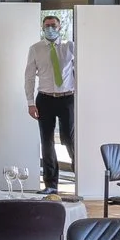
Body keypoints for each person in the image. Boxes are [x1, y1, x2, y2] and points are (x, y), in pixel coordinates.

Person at [24, 12, 77, 194]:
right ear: (42, 28)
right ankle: (51, 185)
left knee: (69, 138)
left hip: (67, 98)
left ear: (59, 27)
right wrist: (30, 102)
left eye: (53, 25)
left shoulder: (70, 46)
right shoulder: (35, 49)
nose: (50, 29)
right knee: (47, 142)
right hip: (45, 99)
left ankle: (80, 176)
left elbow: (80, 70)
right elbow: (29, 77)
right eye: (47, 26)